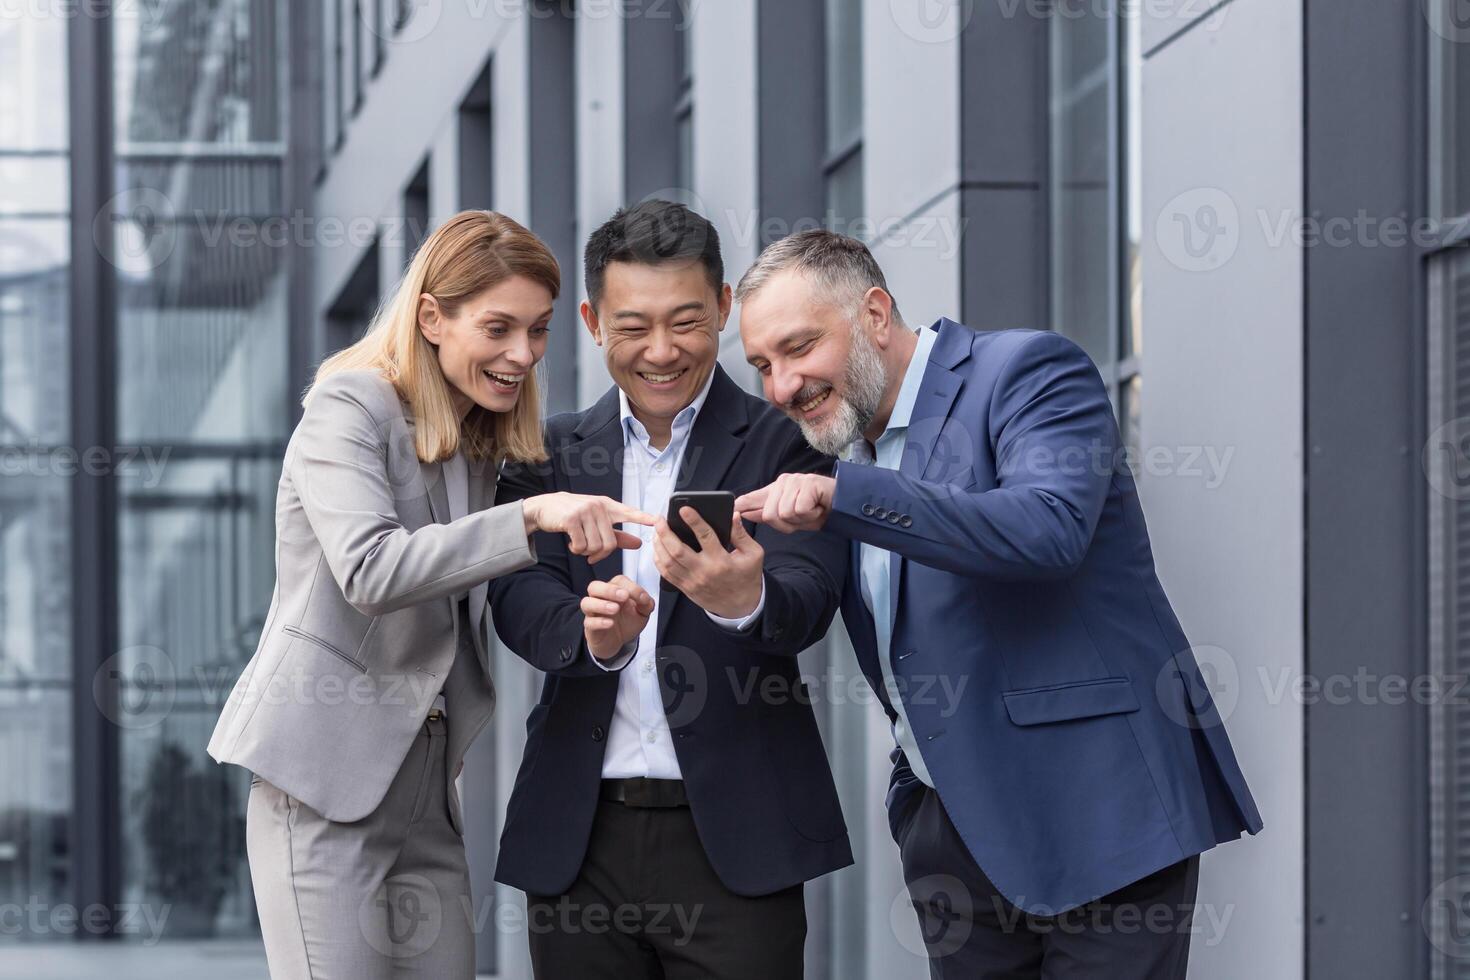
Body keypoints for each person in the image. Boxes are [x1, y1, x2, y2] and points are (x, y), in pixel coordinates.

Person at [734, 230, 1263, 979]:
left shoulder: (1026, 372)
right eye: (763, 365)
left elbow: (1048, 529)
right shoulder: (844, 450)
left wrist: (849, 496)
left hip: (1096, 811)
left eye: (799, 347)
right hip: (953, 838)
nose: (783, 385)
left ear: (876, 315)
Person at [207, 211, 653, 979]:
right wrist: (531, 515)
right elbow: (372, 570)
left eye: (539, 330)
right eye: (499, 327)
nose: (522, 355)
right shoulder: (347, 408)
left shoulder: (479, 434)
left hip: (428, 789)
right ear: (431, 316)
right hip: (322, 783)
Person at [487, 201, 850, 979]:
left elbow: (810, 592)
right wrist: (591, 637)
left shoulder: (787, 438)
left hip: (738, 842)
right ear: (591, 320)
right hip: (581, 840)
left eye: (686, 321)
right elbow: (518, 598)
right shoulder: (542, 454)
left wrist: (744, 596)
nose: (660, 351)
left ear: (724, 308)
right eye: (632, 325)